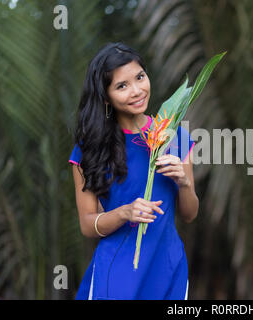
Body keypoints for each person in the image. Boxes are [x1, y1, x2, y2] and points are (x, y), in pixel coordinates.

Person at [68, 42, 198, 300]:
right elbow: (86, 224)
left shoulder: (176, 138)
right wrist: (124, 212)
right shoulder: (89, 148)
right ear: (106, 96)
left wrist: (184, 183)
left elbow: (189, 214)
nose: (137, 91)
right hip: (116, 271)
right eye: (122, 86)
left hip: (167, 267)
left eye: (140, 77)